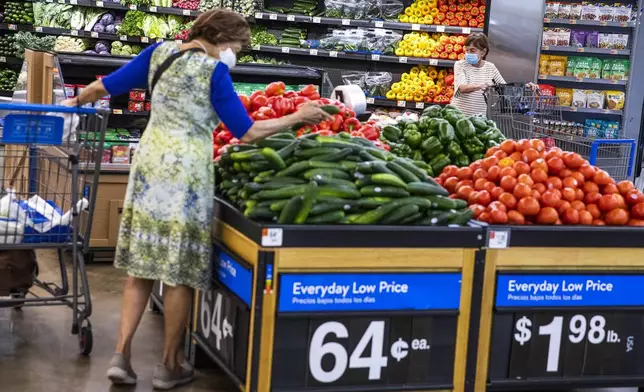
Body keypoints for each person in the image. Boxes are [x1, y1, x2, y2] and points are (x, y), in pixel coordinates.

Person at [62, 8, 332, 390]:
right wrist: (296, 117)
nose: (236, 52)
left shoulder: (159, 53)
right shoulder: (214, 72)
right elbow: (248, 132)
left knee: (141, 267)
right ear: (223, 39)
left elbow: (105, 86)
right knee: (179, 274)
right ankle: (168, 365)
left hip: (149, 165)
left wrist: (71, 106)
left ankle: (121, 356)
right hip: (187, 173)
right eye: (238, 45)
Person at [450, 33, 506, 117]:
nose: (468, 54)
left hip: (478, 120)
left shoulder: (490, 67)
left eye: (472, 50)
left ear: (483, 52)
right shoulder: (460, 65)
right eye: (467, 50)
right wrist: (481, 86)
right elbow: (462, 88)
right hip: (458, 117)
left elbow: (505, 87)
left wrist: (524, 86)